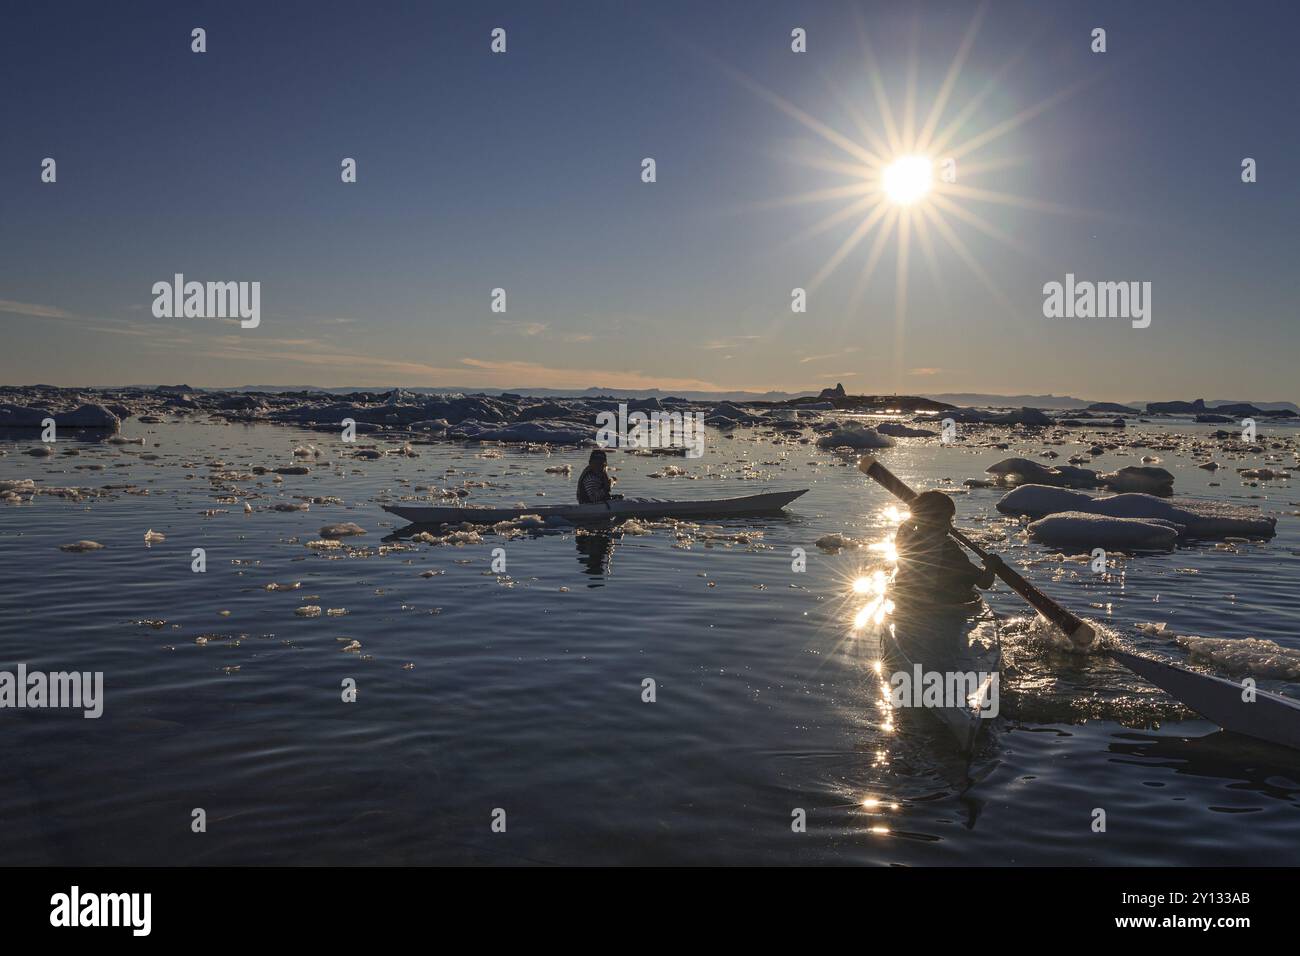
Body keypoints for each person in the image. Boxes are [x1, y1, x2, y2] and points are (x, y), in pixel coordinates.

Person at [892, 490, 999, 604]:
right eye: (947, 519)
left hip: (905, 600)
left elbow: (907, 525)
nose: (950, 526)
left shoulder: (904, 539)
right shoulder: (948, 548)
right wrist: (991, 566)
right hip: (939, 605)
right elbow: (984, 583)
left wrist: (917, 513)